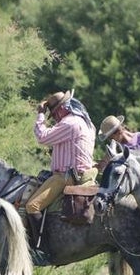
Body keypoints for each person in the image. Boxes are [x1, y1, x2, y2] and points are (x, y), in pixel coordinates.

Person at [26, 89, 96, 262]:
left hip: (66, 177)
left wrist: (41, 114)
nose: (54, 117)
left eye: (54, 112)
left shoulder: (69, 123)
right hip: (82, 173)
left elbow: (42, 137)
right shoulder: (86, 123)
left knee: (32, 206)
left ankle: (41, 249)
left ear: (62, 108)